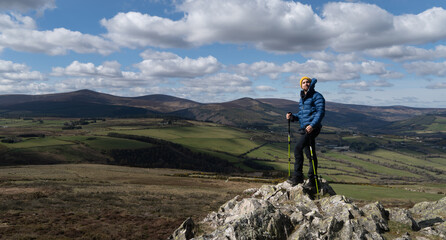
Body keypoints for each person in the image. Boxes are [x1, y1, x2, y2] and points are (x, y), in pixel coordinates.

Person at [286, 76, 325, 190]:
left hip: (313, 128)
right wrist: (292, 117)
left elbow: (320, 112)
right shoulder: (302, 98)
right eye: (303, 82)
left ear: (311, 84)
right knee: (309, 153)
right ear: (301, 85)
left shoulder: (316, 96)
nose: (306, 83)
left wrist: (312, 125)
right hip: (305, 129)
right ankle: (313, 180)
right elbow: (302, 116)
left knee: (298, 148)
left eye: (308, 82)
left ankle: (298, 177)